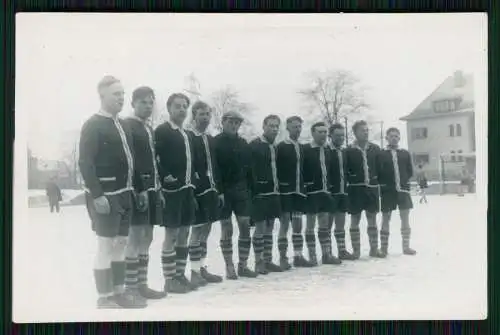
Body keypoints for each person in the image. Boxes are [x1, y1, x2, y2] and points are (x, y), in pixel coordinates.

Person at [79, 75, 143, 308]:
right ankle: (104, 297)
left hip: (125, 194)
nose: (121, 98)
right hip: (106, 196)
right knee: (106, 245)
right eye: (116, 94)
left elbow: (131, 160)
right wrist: (97, 195)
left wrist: (138, 189)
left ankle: (119, 292)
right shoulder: (93, 124)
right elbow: (85, 163)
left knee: (121, 244)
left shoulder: (123, 124)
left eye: (123, 94)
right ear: (102, 96)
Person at [122, 87, 167, 305]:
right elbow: (131, 161)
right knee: (135, 238)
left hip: (152, 189)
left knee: (147, 238)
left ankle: (142, 285)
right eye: (143, 103)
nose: (148, 107)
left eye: (151, 103)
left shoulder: (148, 128)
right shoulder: (128, 125)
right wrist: (138, 189)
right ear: (133, 103)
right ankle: (130, 288)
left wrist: (158, 188)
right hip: (137, 190)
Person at [155, 93, 198, 294]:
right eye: (177, 106)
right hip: (171, 191)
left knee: (185, 233)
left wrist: (194, 180)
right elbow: (155, 159)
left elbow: (192, 162)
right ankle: (169, 279)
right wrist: (165, 177)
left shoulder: (188, 134)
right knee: (171, 235)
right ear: (169, 108)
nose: (181, 110)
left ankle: (180, 275)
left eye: (184, 107)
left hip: (187, 190)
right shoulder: (162, 131)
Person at [214, 111, 257, 279]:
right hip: (224, 192)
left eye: (237, 123)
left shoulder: (244, 144)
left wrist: (251, 191)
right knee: (227, 229)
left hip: (241, 191)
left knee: (245, 227)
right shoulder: (215, 143)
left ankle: (243, 265)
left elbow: (250, 170)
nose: (234, 125)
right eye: (231, 122)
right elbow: (214, 169)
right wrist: (219, 191)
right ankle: (229, 265)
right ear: (223, 122)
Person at [188, 101, 224, 285]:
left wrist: (219, 191)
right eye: (202, 114)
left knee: (207, 229)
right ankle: (194, 271)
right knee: (197, 229)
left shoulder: (210, 139)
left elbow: (215, 165)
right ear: (194, 115)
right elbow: (189, 165)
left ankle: (202, 267)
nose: (206, 118)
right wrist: (193, 191)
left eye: (208, 114)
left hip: (211, 189)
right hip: (198, 189)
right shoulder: (189, 136)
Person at [276, 116, 313, 268]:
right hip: (285, 191)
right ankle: (283, 258)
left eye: (299, 127)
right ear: (287, 128)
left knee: (298, 225)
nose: (297, 130)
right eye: (294, 127)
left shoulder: (302, 147)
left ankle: (298, 256)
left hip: (299, 191)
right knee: (285, 224)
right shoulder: (281, 146)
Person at [344, 120, 385, 259]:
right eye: (362, 130)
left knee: (372, 217)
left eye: (367, 130)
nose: (366, 132)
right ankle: (356, 251)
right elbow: (345, 170)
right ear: (355, 133)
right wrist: (353, 177)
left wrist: (374, 178)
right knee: (355, 218)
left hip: (372, 188)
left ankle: (374, 249)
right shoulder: (348, 150)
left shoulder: (375, 148)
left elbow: (380, 168)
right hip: (355, 189)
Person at [248, 115, 283, 274]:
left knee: (270, 226)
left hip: (274, 192)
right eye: (271, 126)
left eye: (276, 126)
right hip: (259, 193)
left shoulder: (276, 146)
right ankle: (258, 261)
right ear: (263, 126)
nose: (274, 129)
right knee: (260, 227)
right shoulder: (255, 145)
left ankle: (268, 260)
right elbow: (249, 171)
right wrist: (253, 191)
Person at [303, 122, 340, 266]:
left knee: (324, 225)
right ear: (313, 133)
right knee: (310, 225)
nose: (323, 135)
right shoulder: (305, 149)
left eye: (325, 132)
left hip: (326, 192)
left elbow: (332, 172)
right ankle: (312, 256)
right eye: (320, 132)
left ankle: (326, 254)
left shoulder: (329, 150)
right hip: (311, 193)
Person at [377, 127, 417, 257]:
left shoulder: (404, 153)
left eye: (396, 136)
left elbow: (410, 171)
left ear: (399, 138)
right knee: (386, 218)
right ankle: (384, 248)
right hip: (388, 191)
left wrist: (403, 181)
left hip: (403, 190)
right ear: (386, 138)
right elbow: (378, 172)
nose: (394, 138)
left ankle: (406, 247)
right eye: (391, 136)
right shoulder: (381, 154)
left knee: (405, 217)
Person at [328, 124, 357, 260]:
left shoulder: (345, 152)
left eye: (342, 135)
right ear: (331, 136)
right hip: (330, 193)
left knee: (340, 224)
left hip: (343, 191)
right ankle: (327, 252)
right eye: (337, 135)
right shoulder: (326, 150)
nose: (340, 138)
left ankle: (342, 250)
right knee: (327, 225)